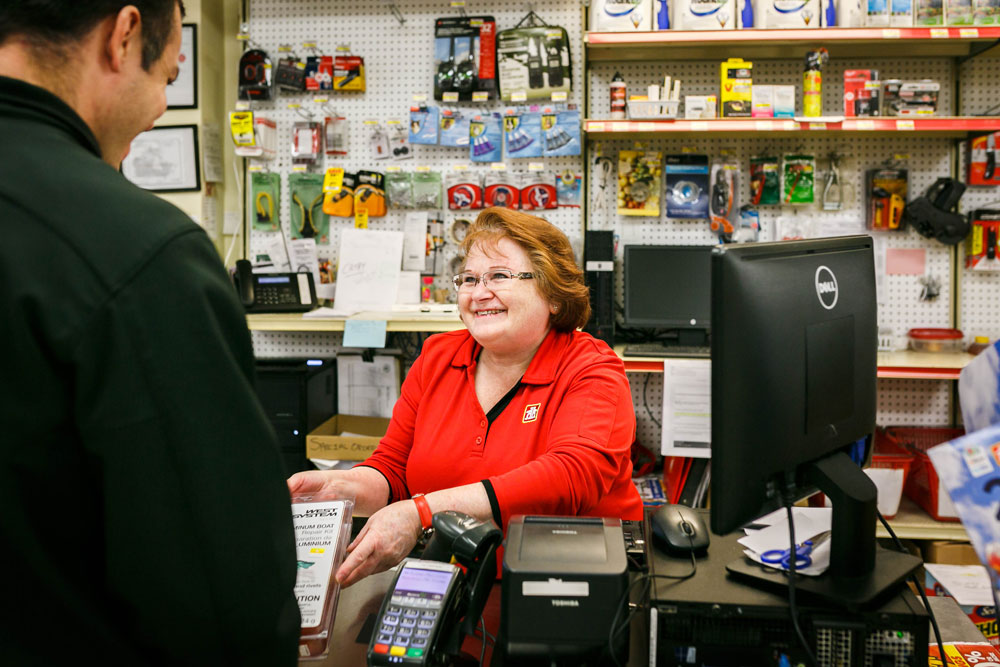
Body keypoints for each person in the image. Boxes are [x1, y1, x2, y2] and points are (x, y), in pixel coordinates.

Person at [0, 2, 300, 663]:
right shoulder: (138, 253)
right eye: (167, 78)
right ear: (124, 34)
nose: (162, 107)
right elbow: (225, 603)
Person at [290, 208, 643, 587]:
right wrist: (343, 488)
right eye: (469, 278)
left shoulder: (591, 368)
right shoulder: (438, 357)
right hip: (453, 584)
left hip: (569, 588)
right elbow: (394, 468)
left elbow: (570, 477)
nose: (479, 293)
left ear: (553, 294)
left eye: (500, 276)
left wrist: (420, 514)